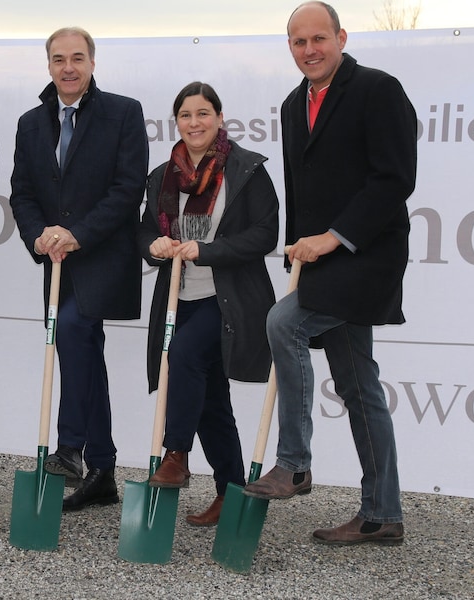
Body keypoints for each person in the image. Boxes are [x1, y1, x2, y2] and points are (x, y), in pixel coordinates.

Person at [243, 1, 417, 546]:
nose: (310, 50)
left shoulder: (377, 89)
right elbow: (304, 187)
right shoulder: (294, 104)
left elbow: (394, 179)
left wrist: (333, 237)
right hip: (320, 262)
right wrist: (303, 246)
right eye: (299, 42)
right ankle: (382, 514)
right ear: (289, 47)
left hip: (366, 258)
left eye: (319, 38)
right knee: (359, 386)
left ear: (341, 37)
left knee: (282, 324)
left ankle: (294, 463)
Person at [9, 27, 148, 511]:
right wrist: (37, 234)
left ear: (92, 62)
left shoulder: (123, 113)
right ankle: (103, 469)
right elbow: (22, 191)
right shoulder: (30, 122)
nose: (68, 67)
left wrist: (79, 233)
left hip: (104, 254)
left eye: (77, 58)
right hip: (58, 259)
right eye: (58, 59)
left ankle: (69, 446)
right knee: (82, 347)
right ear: (48, 65)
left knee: (72, 329)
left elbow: (128, 188)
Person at [138, 82, 279, 526]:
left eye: (203, 114)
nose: (194, 123)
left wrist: (206, 249)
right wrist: (155, 245)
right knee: (211, 400)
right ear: (175, 121)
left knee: (182, 358)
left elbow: (264, 235)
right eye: (185, 115)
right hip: (179, 297)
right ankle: (232, 492)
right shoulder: (163, 175)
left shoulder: (247, 169)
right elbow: (143, 231)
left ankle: (175, 452)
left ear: (219, 117)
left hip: (229, 300)